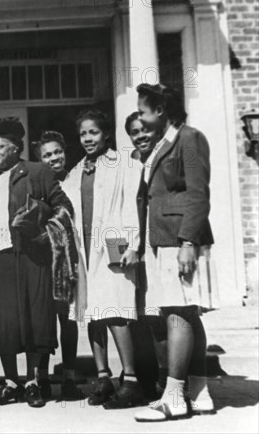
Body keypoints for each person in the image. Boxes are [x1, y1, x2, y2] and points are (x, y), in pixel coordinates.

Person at [0, 120, 73, 408]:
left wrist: (44, 230)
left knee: (35, 315)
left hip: (32, 256)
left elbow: (63, 207)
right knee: (2, 321)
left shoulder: (37, 172)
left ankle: (34, 381)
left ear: (15, 147)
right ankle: (11, 382)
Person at [134, 84, 219, 422]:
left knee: (176, 314)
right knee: (188, 314)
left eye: (142, 111)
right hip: (165, 238)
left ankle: (173, 397)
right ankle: (199, 393)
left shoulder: (190, 138)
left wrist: (187, 242)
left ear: (160, 111)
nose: (139, 118)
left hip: (178, 239)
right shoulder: (163, 143)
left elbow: (199, 194)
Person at [62, 109, 145, 409]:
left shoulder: (122, 163)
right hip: (83, 252)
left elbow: (132, 205)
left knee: (115, 312)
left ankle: (131, 380)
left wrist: (132, 244)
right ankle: (103, 377)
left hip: (113, 245)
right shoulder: (76, 171)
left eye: (93, 133)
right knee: (93, 314)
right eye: (83, 134)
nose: (87, 139)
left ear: (105, 134)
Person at [34, 130, 84, 401]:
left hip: (69, 258)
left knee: (68, 318)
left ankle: (69, 377)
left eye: (57, 152)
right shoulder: (35, 183)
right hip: (43, 258)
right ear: (40, 160)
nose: (54, 158)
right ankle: (41, 376)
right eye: (47, 154)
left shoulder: (75, 178)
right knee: (43, 319)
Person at [124, 112, 168, 398]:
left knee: (158, 314)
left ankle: (168, 377)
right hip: (136, 247)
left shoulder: (165, 161)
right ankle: (146, 376)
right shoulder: (130, 166)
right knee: (138, 315)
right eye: (134, 132)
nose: (140, 136)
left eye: (144, 130)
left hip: (161, 244)